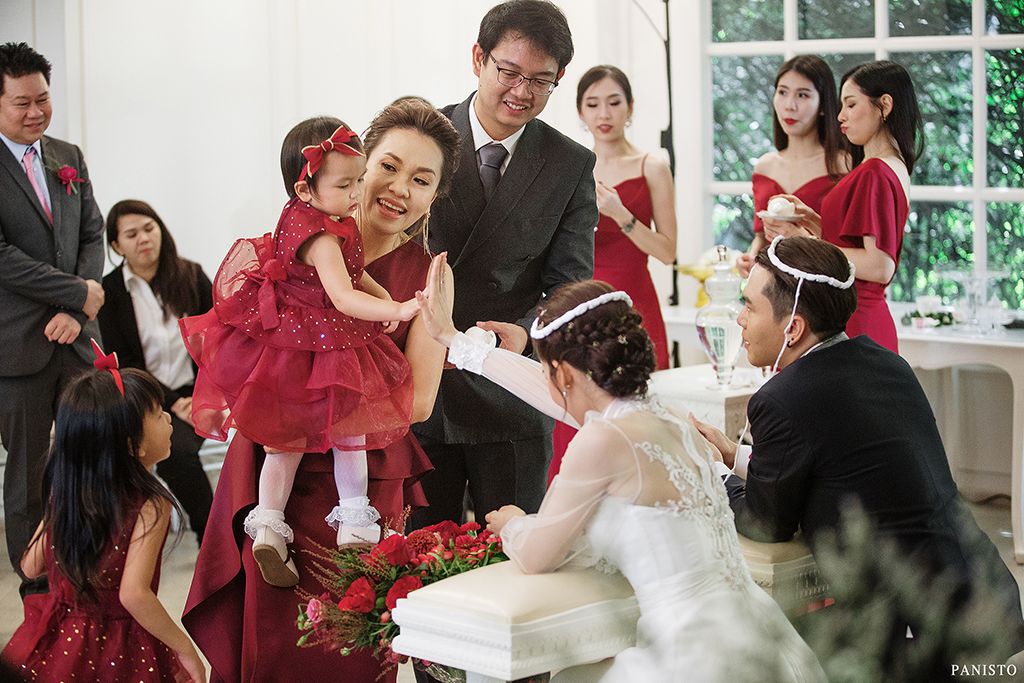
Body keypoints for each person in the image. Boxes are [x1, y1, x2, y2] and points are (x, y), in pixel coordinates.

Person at [413, 259, 825, 681]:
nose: (549, 385)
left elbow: (536, 556)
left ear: (566, 374)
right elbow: (551, 394)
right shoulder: (671, 420)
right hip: (753, 626)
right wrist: (455, 342)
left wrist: (513, 523)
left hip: (689, 654)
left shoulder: (603, 439)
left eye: (549, 372)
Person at [181, 100, 459, 683]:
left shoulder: (430, 275)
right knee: (273, 647)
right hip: (276, 473)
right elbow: (239, 348)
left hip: (359, 486)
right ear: (359, 164)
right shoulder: (291, 244)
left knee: (345, 653)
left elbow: (420, 403)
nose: (399, 189)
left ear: (435, 195)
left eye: (421, 179)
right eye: (389, 166)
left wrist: (328, 402)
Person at [693, 236, 1024, 677]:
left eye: (750, 307)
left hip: (924, 636)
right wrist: (733, 453)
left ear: (793, 328)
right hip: (987, 598)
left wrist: (711, 473)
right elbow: (827, 468)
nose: (740, 317)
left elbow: (766, 522)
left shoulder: (783, 398)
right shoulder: (887, 365)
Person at [180, 117, 423, 588]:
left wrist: (381, 298)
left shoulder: (305, 215)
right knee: (350, 433)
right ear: (305, 188)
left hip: (288, 347)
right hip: (323, 344)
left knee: (284, 447)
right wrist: (395, 308)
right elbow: (344, 296)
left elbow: (356, 274)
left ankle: (270, 526)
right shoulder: (324, 239)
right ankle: (354, 520)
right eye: (345, 186)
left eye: (359, 180)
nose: (358, 194)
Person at [411, 0, 598, 531]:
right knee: (416, 557)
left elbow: (571, 284)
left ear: (559, 78)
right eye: (509, 72)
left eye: (540, 80)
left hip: (512, 392)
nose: (521, 92)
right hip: (421, 385)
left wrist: (524, 334)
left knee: (514, 555)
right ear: (479, 58)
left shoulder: (570, 163)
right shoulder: (420, 137)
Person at [1, 356, 206, 683]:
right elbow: (134, 595)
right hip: (119, 647)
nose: (168, 417)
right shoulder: (150, 504)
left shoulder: (67, 492)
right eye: (157, 413)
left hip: (59, 637)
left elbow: (30, 566)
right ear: (132, 444)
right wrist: (184, 648)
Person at [0, 41, 106, 597]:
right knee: (27, 477)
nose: (36, 111)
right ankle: (37, 594)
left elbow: (92, 234)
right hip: (18, 347)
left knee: (93, 459)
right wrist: (76, 293)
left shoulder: (69, 155)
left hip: (76, 339)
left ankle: (92, 577)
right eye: (21, 103)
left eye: (42, 99)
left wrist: (75, 309)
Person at [547, 65, 678, 483]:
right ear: (580, 112)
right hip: (580, 309)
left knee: (639, 418)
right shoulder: (570, 167)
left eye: (614, 102)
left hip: (635, 303)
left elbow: (668, 252)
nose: (604, 113)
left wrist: (623, 216)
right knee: (575, 418)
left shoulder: (652, 166)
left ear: (630, 108)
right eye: (593, 104)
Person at [765, 60, 923, 352]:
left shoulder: (875, 170)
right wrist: (814, 222)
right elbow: (853, 244)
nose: (841, 116)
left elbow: (879, 266)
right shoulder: (888, 165)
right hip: (856, 319)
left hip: (857, 323)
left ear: (885, 105)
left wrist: (805, 240)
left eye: (851, 105)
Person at [98, 199, 214, 546]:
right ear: (117, 245)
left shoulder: (190, 275)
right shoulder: (109, 292)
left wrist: (203, 396)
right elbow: (123, 361)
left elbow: (218, 339)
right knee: (176, 452)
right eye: (131, 234)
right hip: (147, 400)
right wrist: (175, 402)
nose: (144, 239)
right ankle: (211, 537)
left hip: (202, 391)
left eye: (149, 228)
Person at [737, 55, 846, 277]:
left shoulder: (843, 164)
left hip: (824, 285)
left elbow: (851, 245)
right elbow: (762, 237)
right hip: (774, 288)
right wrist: (750, 258)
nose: (789, 105)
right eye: (782, 92)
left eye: (802, 95)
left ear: (823, 105)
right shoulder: (765, 166)